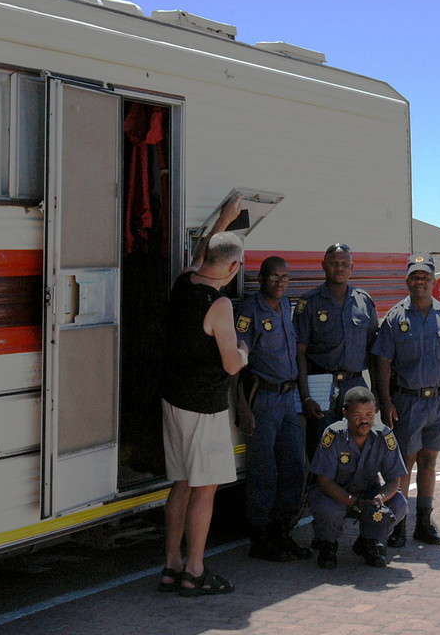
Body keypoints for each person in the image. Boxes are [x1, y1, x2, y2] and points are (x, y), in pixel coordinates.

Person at [158, 197, 246, 597]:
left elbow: (200, 256)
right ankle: (195, 570)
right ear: (234, 268)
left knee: (180, 484)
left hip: (173, 400)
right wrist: (245, 350)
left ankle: (171, 565)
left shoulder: (184, 283)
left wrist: (224, 220)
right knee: (205, 488)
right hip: (205, 407)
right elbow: (230, 365)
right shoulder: (220, 303)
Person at [372, 253, 440, 548]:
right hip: (408, 402)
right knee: (405, 463)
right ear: (407, 281)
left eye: (425, 277)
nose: (420, 282)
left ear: (433, 280)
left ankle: (424, 522)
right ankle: (399, 523)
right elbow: (383, 363)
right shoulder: (395, 317)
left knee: (429, 461)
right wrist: (386, 400)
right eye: (415, 277)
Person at [235, 256, 312, 562]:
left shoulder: (287, 307)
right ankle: (261, 538)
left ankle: (282, 532)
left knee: (294, 467)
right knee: (264, 472)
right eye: (274, 277)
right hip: (263, 401)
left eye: (285, 278)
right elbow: (237, 365)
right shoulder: (249, 312)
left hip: (288, 399)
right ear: (260, 279)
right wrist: (242, 405)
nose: (280, 283)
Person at [293, 243, 380, 461]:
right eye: (334, 263)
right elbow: (299, 353)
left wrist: (376, 392)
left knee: (358, 447)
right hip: (321, 386)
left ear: (352, 267)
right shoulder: (309, 303)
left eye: (344, 264)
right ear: (324, 266)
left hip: (355, 384)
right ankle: (317, 495)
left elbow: (373, 350)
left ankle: (354, 495)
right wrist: (305, 397)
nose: (339, 268)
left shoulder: (363, 301)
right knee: (321, 449)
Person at [308, 386, 408, 569]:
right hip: (337, 494)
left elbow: (394, 479)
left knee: (399, 504)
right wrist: (353, 502)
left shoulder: (384, 436)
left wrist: (380, 498)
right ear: (345, 413)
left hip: (368, 493)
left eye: (369, 415)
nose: (365, 420)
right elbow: (324, 481)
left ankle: (368, 542)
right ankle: (328, 545)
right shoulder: (332, 435)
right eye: (358, 415)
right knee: (325, 507)